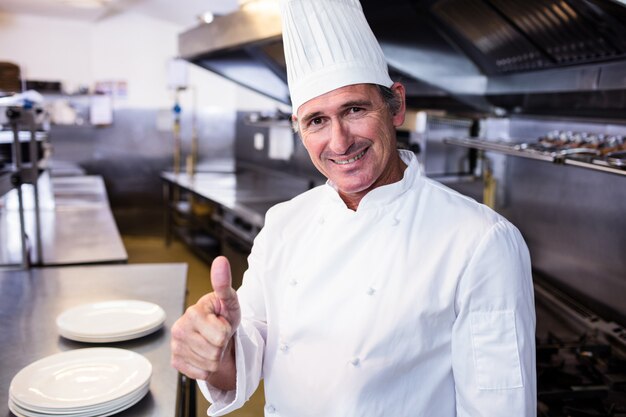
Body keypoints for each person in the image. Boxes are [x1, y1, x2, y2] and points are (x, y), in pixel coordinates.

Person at [171, 0, 537, 415]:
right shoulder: (285, 222)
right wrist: (215, 354)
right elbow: (250, 350)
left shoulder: (481, 241)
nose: (340, 142)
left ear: (395, 105)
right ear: (299, 128)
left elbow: (499, 407)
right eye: (317, 121)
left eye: (354, 109)